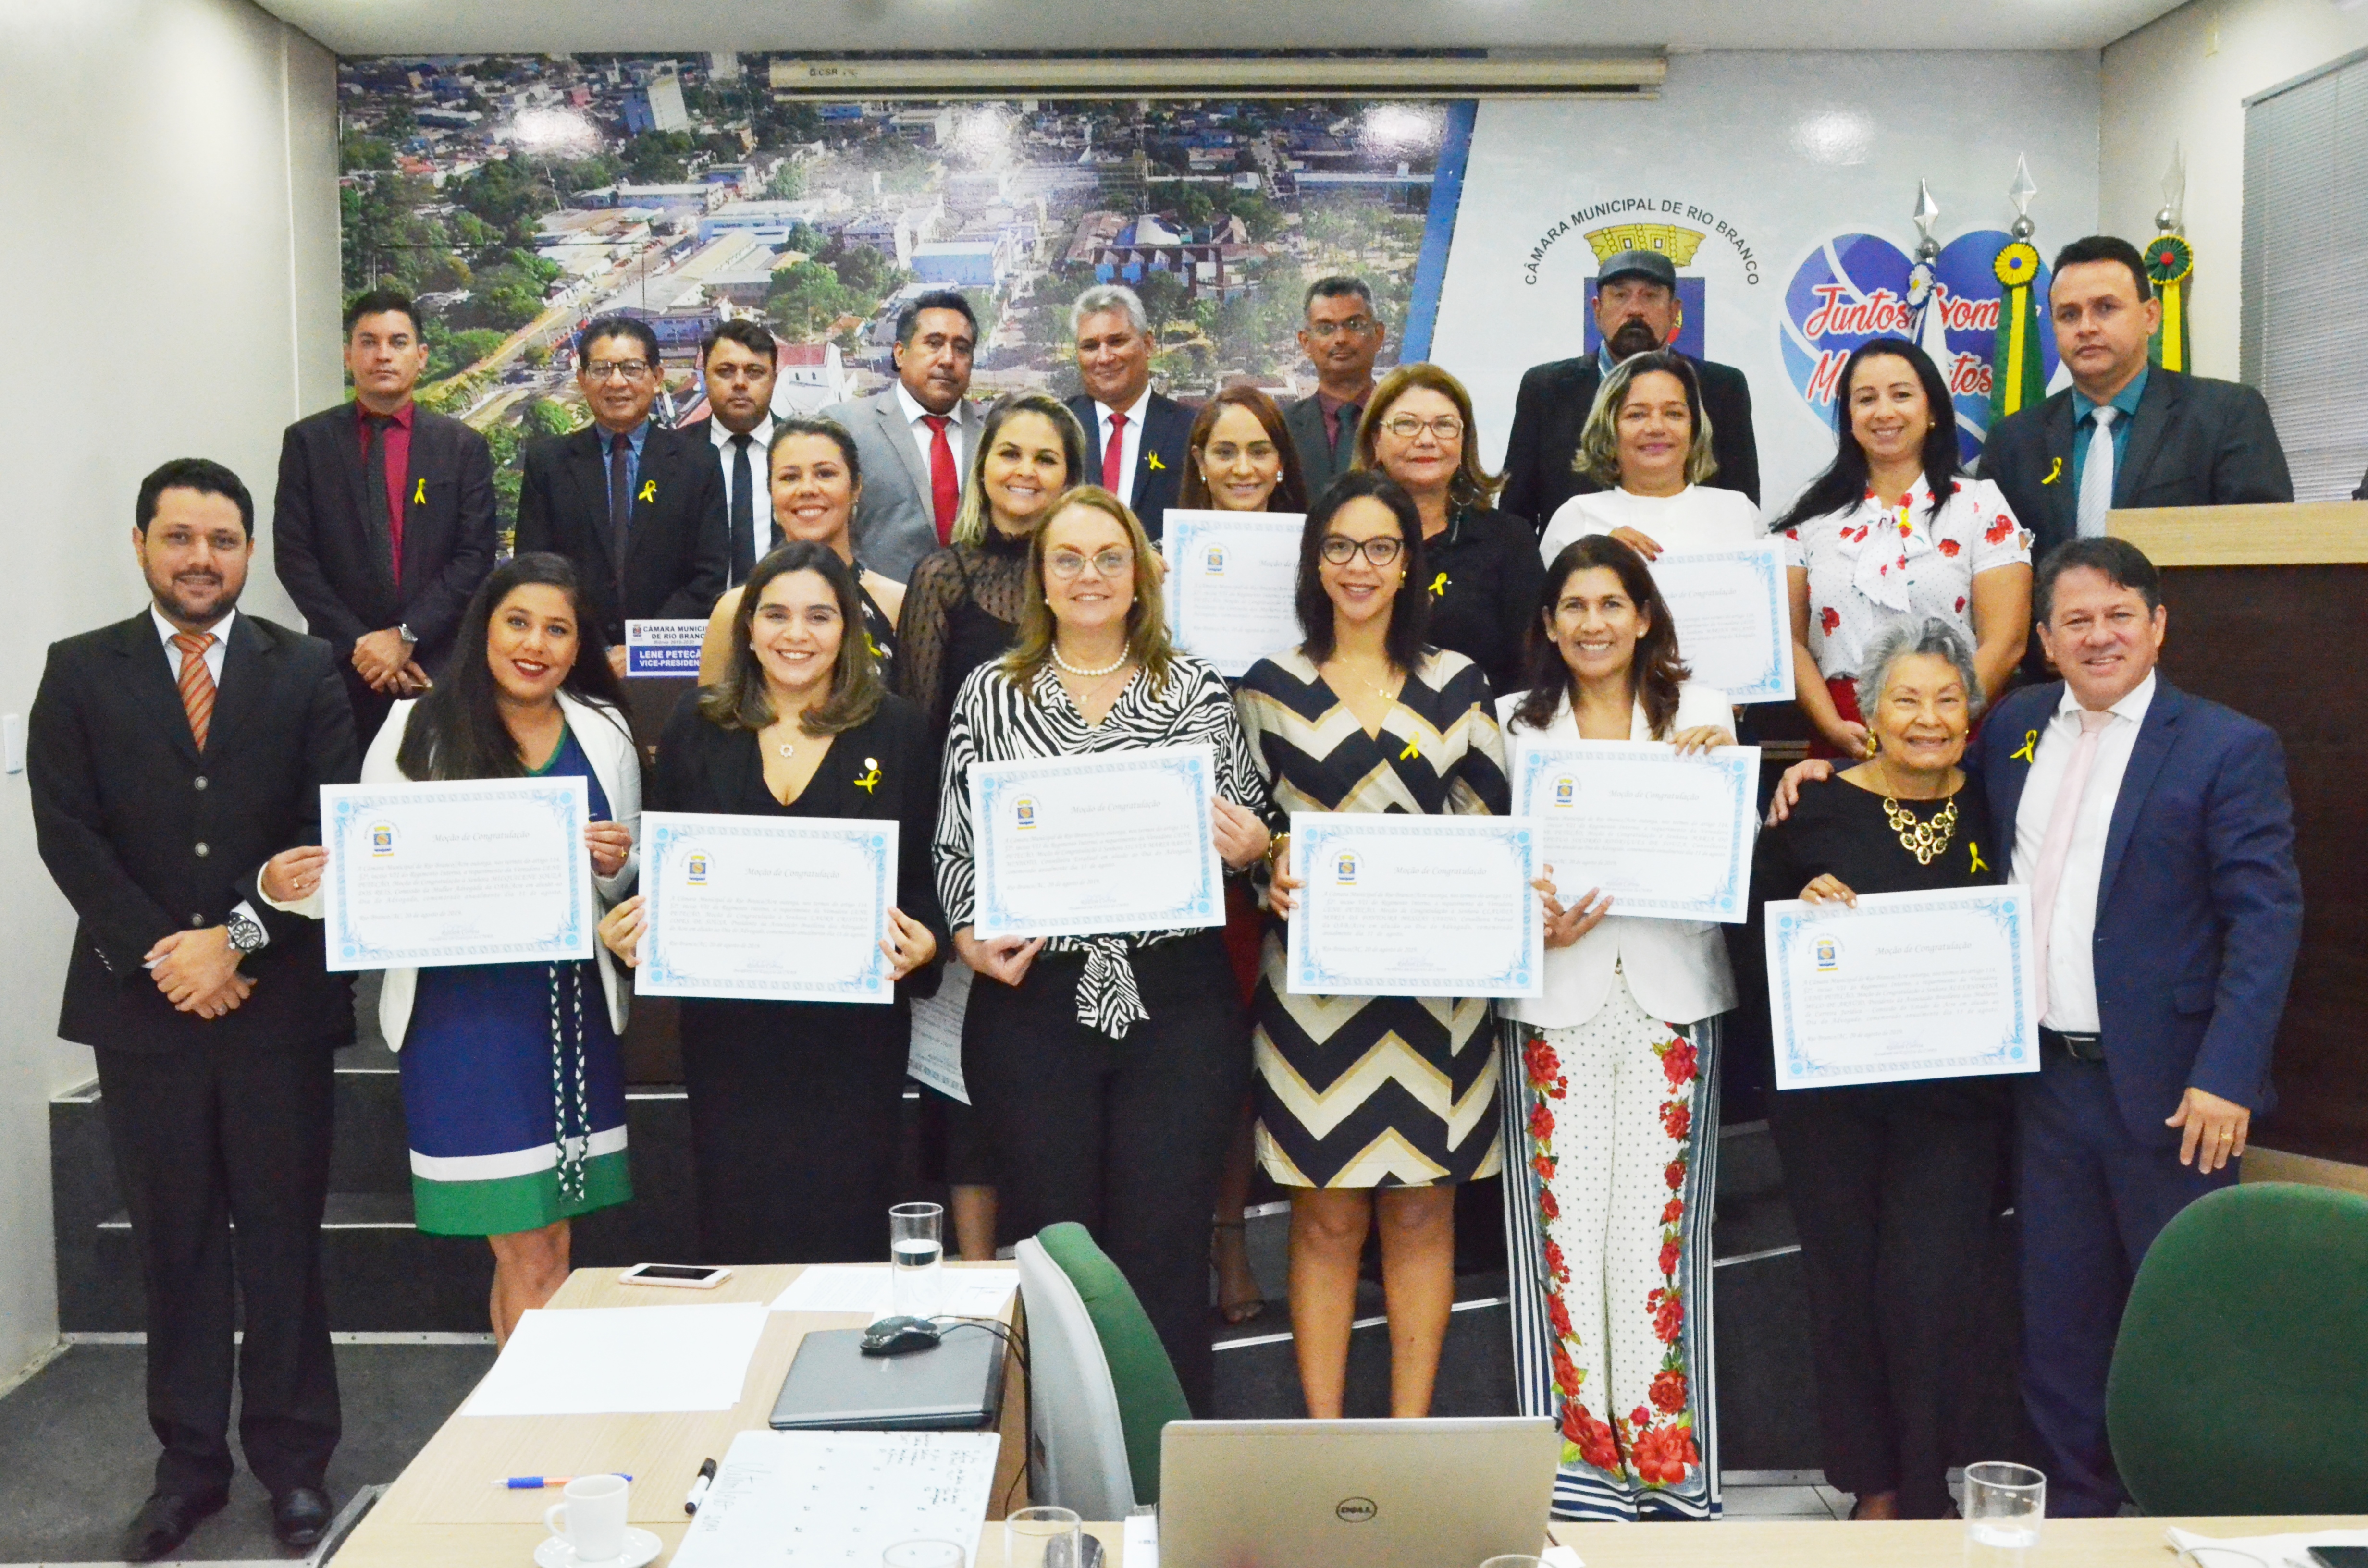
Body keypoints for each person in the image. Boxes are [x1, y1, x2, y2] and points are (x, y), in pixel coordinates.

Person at [28, 459, 357, 1557]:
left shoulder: (305, 668)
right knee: (174, 1248)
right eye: (179, 538)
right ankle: (189, 1468)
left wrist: (239, 941)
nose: (201, 558)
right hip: (143, 1008)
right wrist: (165, 952)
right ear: (141, 545)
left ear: (249, 553)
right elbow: (68, 832)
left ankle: (296, 1464)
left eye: (222, 540)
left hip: (278, 1007)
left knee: (281, 1244)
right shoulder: (77, 672)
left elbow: (327, 834)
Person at [935, 486, 1273, 1413]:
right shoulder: (990, 692)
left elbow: (1254, 832)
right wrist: (968, 932)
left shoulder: (1197, 690)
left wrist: (1255, 846)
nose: (1089, 576)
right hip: (1033, 1006)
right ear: (1038, 580)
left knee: (1165, 1246)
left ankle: (1167, 1474)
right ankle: (1064, 1470)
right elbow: (955, 847)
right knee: (1057, 1249)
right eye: (1068, 558)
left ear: (1139, 579)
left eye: (1108, 558)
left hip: (1178, 1007)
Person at [1237, 469, 1509, 1421]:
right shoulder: (1266, 690)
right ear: (1317, 562)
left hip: (1439, 999)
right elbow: (1249, 841)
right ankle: (1324, 1441)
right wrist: (1265, 864)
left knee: (1423, 1207)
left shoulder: (1458, 682)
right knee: (1325, 1213)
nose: (1361, 566)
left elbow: (1494, 834)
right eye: (1342, 547)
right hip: (1316, 998)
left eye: (1382, 548)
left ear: (1409, 566)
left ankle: (1407, 1439)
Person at [602, 543, 944, 1262]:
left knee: (846, 1227)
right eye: (777, 614)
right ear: (747, 627)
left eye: (820, 616)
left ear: (848, 629)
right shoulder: (700, 727)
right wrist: (634, 927)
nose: (797, 634)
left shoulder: (902, 730)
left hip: (853, 1043)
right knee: (738, 1222)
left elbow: (924, 882)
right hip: (734, 1039)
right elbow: (665, 873)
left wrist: (928, 942)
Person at [1500, 534, 1737, 1521]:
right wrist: (1527, 907)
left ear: (1643, 616)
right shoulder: (1514, 723)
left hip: (1672, 997)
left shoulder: (1705, 715)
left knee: (1656, 1240)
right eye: (1573, 607)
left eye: (1611, 604)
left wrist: (1722, 781)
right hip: (1553, 995)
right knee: (1563, 1237)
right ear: (1548, 626)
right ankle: (1576, 1480)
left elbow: (1732, 857)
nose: (1592, 623)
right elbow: (1491, 859)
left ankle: (1668, 1474)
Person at [1755, 619, 2008, 1521]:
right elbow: (1754, 941)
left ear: (1971, 714)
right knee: (1846, 1286)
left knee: (1934, 1289)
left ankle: (1929, 1477)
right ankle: (1874, 1483)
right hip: (1833, 1106)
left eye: (1947, 698)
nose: (1927, 717)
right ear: (1868, 709)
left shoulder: (1995, 803)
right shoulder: (1809, 806)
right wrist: (1796, 900)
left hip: (1956, 1106)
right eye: (1906, 697)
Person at [365, 555, 640, 1344]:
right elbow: (370, 870)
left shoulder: (605, 729)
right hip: (463, 1017)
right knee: (527, 1243)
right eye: (518, 621)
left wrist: (616, 858)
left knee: (545, 1242)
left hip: (569, 1012)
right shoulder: (411, 729)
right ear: (484, 624)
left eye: (557, 628)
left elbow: (628, 876)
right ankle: (535, 1444)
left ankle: (515, 1440)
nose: (535, 643)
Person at [895, 391, 1087, 1261]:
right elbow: (920, 734)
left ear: (1071, 479)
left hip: (1084, 877)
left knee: (1062, 1090)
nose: (1025, 472)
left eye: (1045, 459)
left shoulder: (1094, 584)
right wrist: (951, 895)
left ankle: (1061, 1276)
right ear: (983, 468)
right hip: (971, 869)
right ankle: (978, 1283)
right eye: (1009, 453)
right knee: (965, 1091)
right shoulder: (946, 575)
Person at [1174, 382, 1310, 1327]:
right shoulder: (1160, 563)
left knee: (1269, 1059)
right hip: (1199, 842)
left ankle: (1249, 1243)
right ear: (1199, 465)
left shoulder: (1318, 559)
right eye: (1224, 452)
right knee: (1204, 1060)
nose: (1243, 469)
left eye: (1258, 450)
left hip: (1301, 827)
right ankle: (1201, 1247)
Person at [1774, 337, 2032, 760]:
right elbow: (1790, 642)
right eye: (1866, 399)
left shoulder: (1980, 504)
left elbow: (2006, 643)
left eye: (1902, 395)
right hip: (1845, 732)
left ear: (1931, 411)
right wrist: (1832, 725)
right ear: (1849, 416)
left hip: (1952, 735)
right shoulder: (1809, 514)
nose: (1884, 412)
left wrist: (1943, 721)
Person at [272, 288, 496, 744]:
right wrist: (363, 646)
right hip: (343, 667)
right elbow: (295, 557)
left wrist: (406, 636)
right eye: (368, 342)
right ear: (347, 356)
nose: (383, 355)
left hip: (436, 666)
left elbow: (474, 557)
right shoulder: (308, 444)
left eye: (398, 342)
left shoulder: (461, 447)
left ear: (422, 356)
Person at [1981, 235, 2293, 563]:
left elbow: (2265, 551)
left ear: (2151, 316)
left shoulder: (2227, 415)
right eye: (2069, 315)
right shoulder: (2013, 441)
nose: (2086, 327)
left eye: (2106, 308)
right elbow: (1991, 566)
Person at [514, 314, 728, 674]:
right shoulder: (548, 463)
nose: (616, 382)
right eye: (601, 369)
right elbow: (534, 569)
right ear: (582, 380)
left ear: (657, 378)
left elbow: (709, 573)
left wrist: (643, 650)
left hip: (669, 665)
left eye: (631, 368)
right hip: (574, 662)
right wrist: (593, 649)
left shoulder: (698, 462)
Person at [1502, 248, 1761, 526]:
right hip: (1573, 561)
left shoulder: (1722, 388)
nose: (1635, 309)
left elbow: (1742, 509)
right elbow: (1516, 516)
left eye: (1650, 296)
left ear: (1674, 311)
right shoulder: (1545, 388)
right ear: (1597, 310)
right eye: (1620, 295)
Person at [1354, 362, 1543, 695]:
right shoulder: (1342, 537)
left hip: (1480, 732)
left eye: (1444, 426)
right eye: (1407, 424)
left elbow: (1534, 668)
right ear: (1376, 441)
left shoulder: (1510, 540)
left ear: (1463, 443)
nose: (1427, 440)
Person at [697, 418, 905, 689]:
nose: (807, 489)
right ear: (771, 492)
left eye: (825, 474)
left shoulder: (898, 604)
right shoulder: (734, 610)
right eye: (790, 477)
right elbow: (709, 723)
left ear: (856, 488)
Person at [1537, 349, 1761, 563]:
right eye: (1637, 415)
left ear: (1694, 429)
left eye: (1674, 414)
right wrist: (1596, 559)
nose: (1656, 427)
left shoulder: (1739, 512)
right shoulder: (1576, 517)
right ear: (1609, 429)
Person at [822, 290, 984, 582]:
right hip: (880, 617)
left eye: (961, 349)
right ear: (900, 353)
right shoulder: (845, 428)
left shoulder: (995, 434)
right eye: (933, 344)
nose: (948, 359)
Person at [1066, 284, 1193, 541]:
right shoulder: (1059, 427)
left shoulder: (1191, 429)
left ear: (1147, 345)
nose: (1104, 357)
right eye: (1090, 346)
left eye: (1117, 342)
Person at [680, 318, 781, 589]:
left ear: (773, 379)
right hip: (694, 621)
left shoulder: (801, 449)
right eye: (725, 371)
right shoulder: (671, 455)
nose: (740, 383)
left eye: (755, 372)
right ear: (705, 376)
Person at [1283, 277, 1388, 491]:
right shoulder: (1281, 428)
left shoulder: (1405, 423)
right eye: (1325, 328)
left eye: (1354, 325)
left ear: (1378, 335)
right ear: (1306, 342)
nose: (1340, 338)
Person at [1178, 384, 1312, 517]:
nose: (1243, 470)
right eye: (1226, 453)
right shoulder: (1170, 539)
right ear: (1201, 462)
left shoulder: (1314, 539)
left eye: (1259, 453)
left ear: (1281, 462)